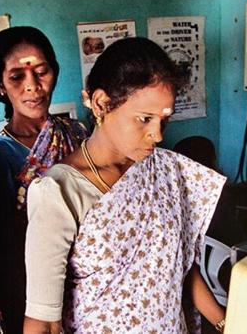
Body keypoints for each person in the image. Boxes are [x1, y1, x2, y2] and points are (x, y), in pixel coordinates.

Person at [24, 37, 227, 334]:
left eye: (164, 120)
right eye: (144, 119)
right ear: (101, 103)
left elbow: (181, 266)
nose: (157, 135)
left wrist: (227, 323)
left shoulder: (167, 171)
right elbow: (43, 321)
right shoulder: (60, 192)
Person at [0, 26, 86, 334]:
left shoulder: (76, 133)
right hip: (36, 295)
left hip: (89, 285)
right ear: (0, 84)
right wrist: (15, 318)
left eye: (42, 72)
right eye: (17, 77)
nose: (33, 87)